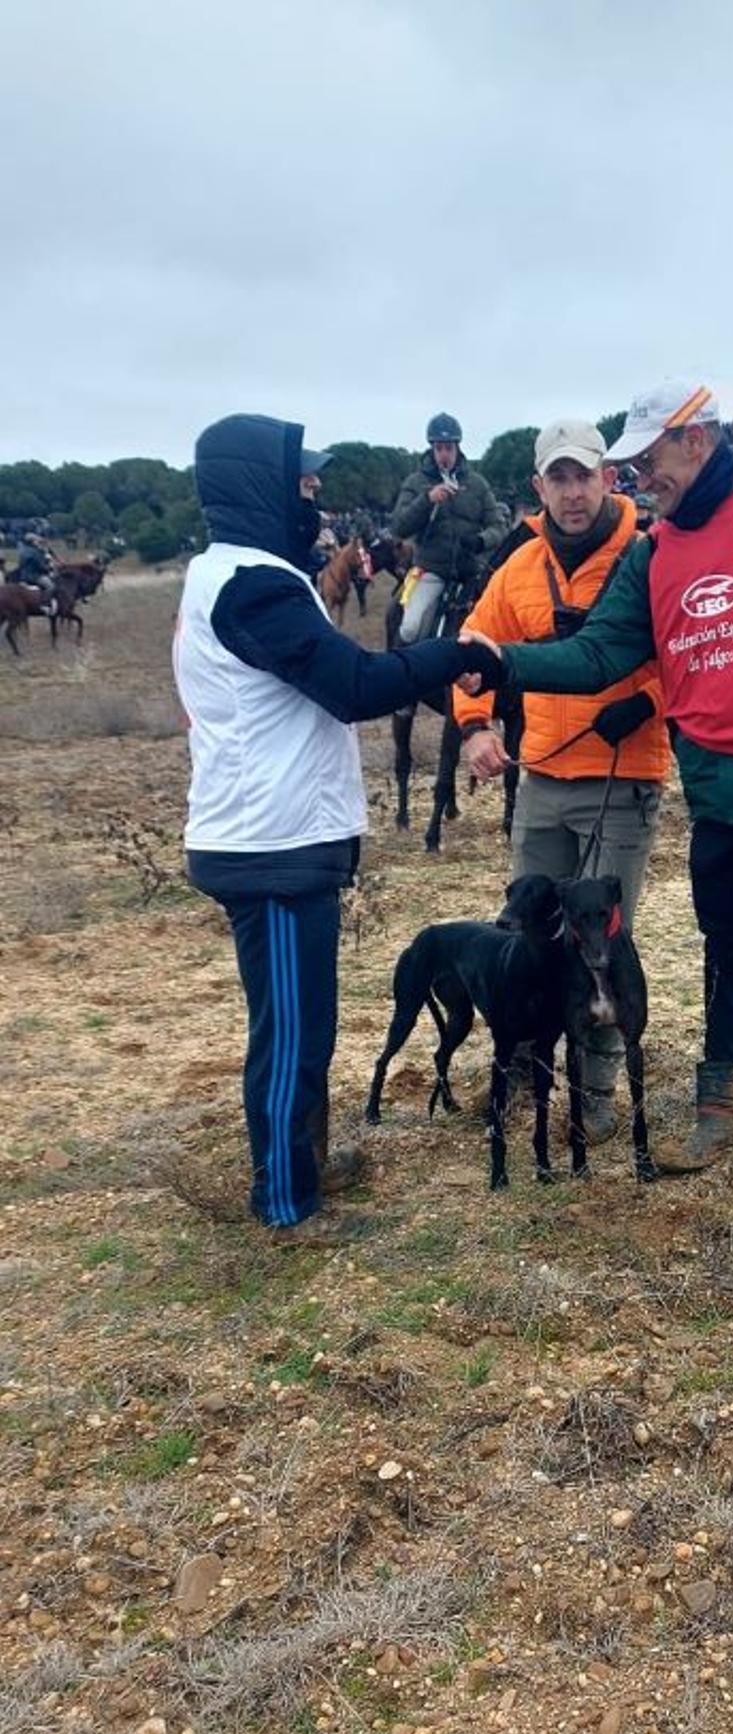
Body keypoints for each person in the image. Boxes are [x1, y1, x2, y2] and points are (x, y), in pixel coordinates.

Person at [462, 380, 733, 1207]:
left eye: (649, 460)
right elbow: (600, 654)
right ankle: (719, 1108)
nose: (640, 479)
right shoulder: (654, 552)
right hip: (718, 795)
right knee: (725, 948)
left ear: (695, 441)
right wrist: (504, 664)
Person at [174, 412, 503, 1234]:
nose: (315, 497)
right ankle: (287, 1203)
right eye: (303, 482)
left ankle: (306, 1165)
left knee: (301, 1022)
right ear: (260, 488)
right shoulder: (255, 585)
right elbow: (355, 685)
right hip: (273, 845)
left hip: (274, 835)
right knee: (291, 1032)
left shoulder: (230, 575)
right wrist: (459, 654)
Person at [453, 418, 667, 1142]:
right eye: (559, 478)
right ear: (538, 487)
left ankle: (596, 1089)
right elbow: (471, 649)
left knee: (604, 940)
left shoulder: (647, 554)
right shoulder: (517, 568)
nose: (573, 493)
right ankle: (525, 1066)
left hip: (621, 777)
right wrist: (476, 726)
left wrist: (648, 702)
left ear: (609, 477)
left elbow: (692, 651)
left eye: (585, 476)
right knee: (530, 933)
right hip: (541, 777)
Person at [389, 413, 505, 644]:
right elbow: (399, 527)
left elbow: (499, 526)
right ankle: (402, 663)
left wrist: (481, 540)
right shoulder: (415, 482)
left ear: (457, 448)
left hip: (472, 572)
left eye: (449, 448)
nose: (444, 454)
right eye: (439, 448)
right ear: (432, 449)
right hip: (432, 570)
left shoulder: (477, 483)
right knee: (411, 628)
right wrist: (427, 500)